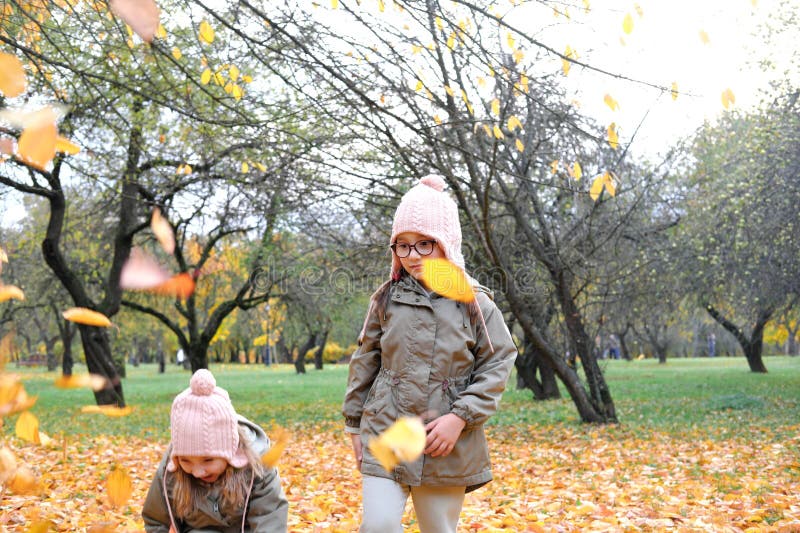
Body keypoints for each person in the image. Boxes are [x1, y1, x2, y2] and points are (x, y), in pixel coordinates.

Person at [342, 175, 517, 533]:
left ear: (446, 244)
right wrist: (354, 424)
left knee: (438, 529)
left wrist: (460, 417)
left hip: (445, 443)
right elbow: (365, 361)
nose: (412, 256)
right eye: (402, 246)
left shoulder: (475, 303)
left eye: (424, 244)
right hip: (385, 431)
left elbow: (498, 362)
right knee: (378, 525)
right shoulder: (385, 299)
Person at [142, 369, 288, 532]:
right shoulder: (171, 470)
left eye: (208, 460)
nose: (197, 472)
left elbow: (269, 519)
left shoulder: (258, 466)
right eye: (186, 461)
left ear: (230, 452)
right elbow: (154, 520)